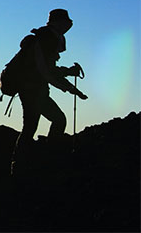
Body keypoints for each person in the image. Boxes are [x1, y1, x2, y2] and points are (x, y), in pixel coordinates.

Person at [11, 9, 88, 174]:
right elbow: (47, 71)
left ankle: (20, 164)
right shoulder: (48, 38)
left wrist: (68, 75)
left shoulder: (45, 37)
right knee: (54, 121)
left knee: (33, 126)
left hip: (32, 89)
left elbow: (48, 69)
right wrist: (72, 88)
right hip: (33, 90)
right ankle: (35, 161)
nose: (69, 25)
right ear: (59, 22)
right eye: (66, 22)